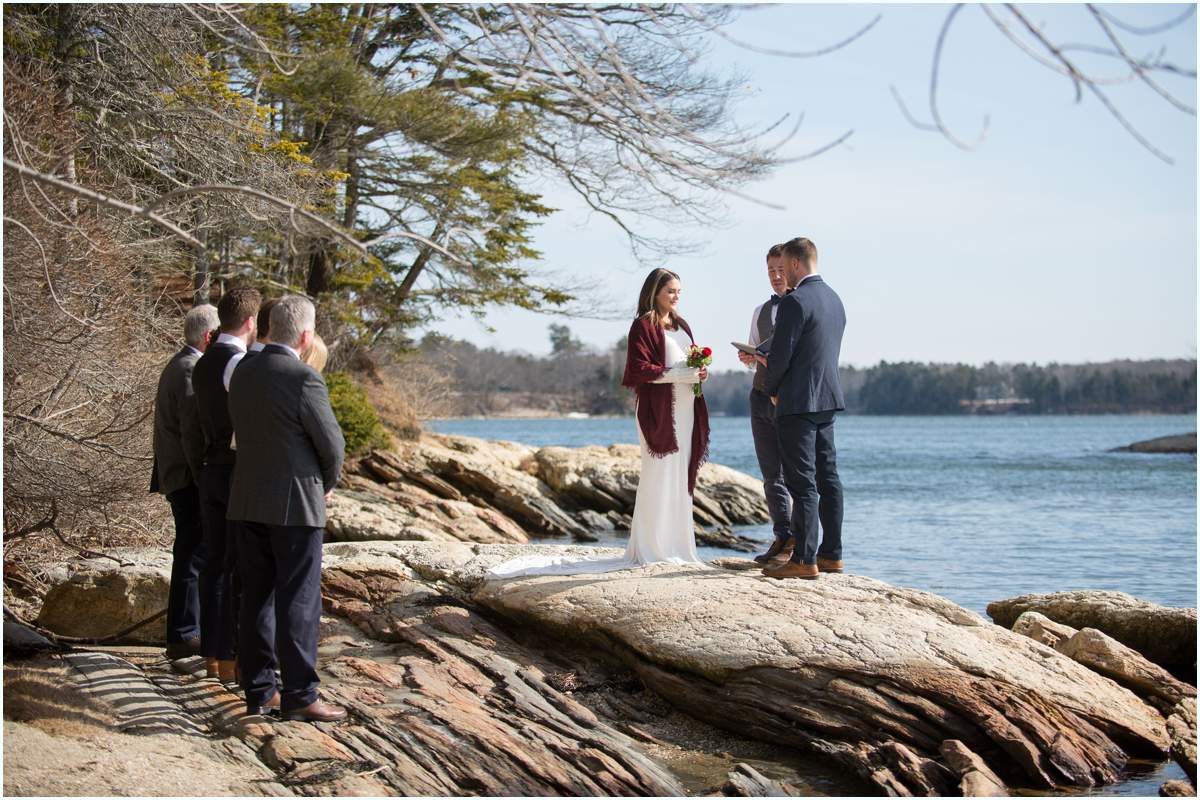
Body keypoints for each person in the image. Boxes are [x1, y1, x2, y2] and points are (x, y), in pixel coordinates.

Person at [488, 268, 710, 577]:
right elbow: (637, 369)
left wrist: (697, 373)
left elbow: (684, 361)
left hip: (686, 409)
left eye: (678, 292)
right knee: (659, 475)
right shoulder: (642, 326)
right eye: (670, 290)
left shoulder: (681, 325)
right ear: (654, 291)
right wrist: (677, 374)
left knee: (679, 477)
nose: (675, 296)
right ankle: (651, 549)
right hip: (660, 412)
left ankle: (677, 548)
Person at [227, 296, 347, 722]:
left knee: (255, 596)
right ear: (305, 335)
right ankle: (300, 695)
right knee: (299, 599)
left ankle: (259, 691)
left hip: (245, 498)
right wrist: (324, 485)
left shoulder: (242, 371)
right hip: (296, 503)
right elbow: (332, 447)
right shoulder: (303, 378)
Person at [761, 237, 846, 580]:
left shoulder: (795, 302)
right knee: (829, 478)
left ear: (795, 264)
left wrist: (772, 389)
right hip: (827, 399)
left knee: (802, 482)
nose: (783, 273)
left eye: (785, 266)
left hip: (797, 401)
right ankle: (832, 554)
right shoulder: (835, 299)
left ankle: (805, 559)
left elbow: (781, 355)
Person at [192, 287, 260, 681]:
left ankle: (212, 655)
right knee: (235, 567)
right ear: (251, 322)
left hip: (209, 468)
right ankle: (230, 659)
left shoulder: (203, 360)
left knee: (214, 564)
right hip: (234, 470)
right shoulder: (237, 362)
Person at [151, 304, 219, 659]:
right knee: (193, 555)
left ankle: (186, 631)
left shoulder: (178, 364)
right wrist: (203, 479)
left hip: (176, 474)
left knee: (190, 552)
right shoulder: (191, 370)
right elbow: (192, 435)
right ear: (209, 336)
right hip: (187, 478)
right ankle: (185, 633)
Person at [738, 244, 795, 565]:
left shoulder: (801, 306)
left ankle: (798, 540)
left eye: (780, 270)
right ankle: (781, 535)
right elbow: (754, 355)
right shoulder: (760, 310)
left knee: (795, 472)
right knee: (770, 473)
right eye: (771, 271)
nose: (775, 276)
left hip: (789, 398)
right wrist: (748, 357)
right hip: (759, 395)